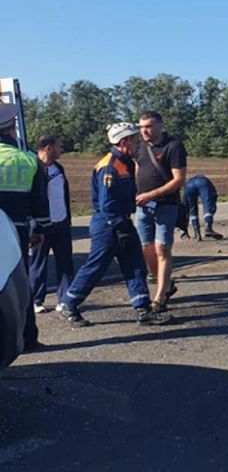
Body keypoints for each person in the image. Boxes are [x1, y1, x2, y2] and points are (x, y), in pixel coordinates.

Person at [59, 123, 170, 327]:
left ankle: (143, 310)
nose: (139, 144)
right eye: (135, 140)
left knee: (135, 266)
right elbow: (107, 205)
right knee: (96, 266)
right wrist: (120, 227)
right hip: (108, 225)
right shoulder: (109, 166)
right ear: (124, 141)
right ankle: (69, 303)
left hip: (122, 222)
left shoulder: (126, 162)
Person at [0, 104, 49, 351]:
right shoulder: (28, 158)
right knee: (19, 284)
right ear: (11, 130)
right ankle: (27, 338)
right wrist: (39, 229)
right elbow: (39, 202)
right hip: (15, 232)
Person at [135, 111, 186, 308]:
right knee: (145, 249)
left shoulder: (173, 146)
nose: (144, 131)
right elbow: (137, 170)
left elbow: (178, 180)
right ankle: (166, 285)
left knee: (162, 249)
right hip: (143, 207)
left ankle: (160, 298)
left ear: (160, 126)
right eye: (141, 127)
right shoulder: (139, 147)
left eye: (148, 126)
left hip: (166, 205)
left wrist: (152, 195)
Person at [28, 135, 75, 314]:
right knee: (39, 263)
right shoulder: (34, 168)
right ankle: (36, 300)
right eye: (58, 146)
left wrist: (67, 219)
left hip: (61, 223)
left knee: (65, 263)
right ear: (48, 148)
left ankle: (64, 299)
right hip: (42, 225)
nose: (61, 150)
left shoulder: (59, 168)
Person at [179, 175, 223, 241]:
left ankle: (197, 234)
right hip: (203, 182)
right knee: (208, 204)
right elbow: (211, 199)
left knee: (192, 208)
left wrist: (184, 232)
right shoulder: (206, 182)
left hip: (189, 184)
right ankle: (208, 227)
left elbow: (185, 209)